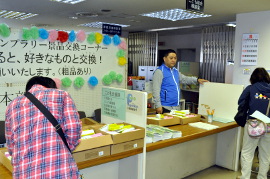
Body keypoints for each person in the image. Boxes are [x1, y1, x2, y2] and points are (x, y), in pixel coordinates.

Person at [5, 76, 82, 179]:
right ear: (51, 87)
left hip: (24, 173)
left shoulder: (12, 105)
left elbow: (11, 146)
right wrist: (63, 147)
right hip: (59, 169)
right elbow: (73, 129)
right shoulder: (61, 95)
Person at [152, 49, 208, 114]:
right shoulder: (159, 71)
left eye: (175, 58)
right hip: (165, 106)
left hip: (176, 106)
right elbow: (155, 90)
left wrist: (197, 80)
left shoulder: (175, 71)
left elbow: (184, 79)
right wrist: (158, 105)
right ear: (164, 59)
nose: (173, 60)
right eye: (171, 58)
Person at [238, 68, 270, 179]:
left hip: (254, 123)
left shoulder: (251, 88)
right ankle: (262, 177)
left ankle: (245, 177)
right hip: (268, 125)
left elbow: (241, 102)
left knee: (247, 152)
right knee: (265, 154)